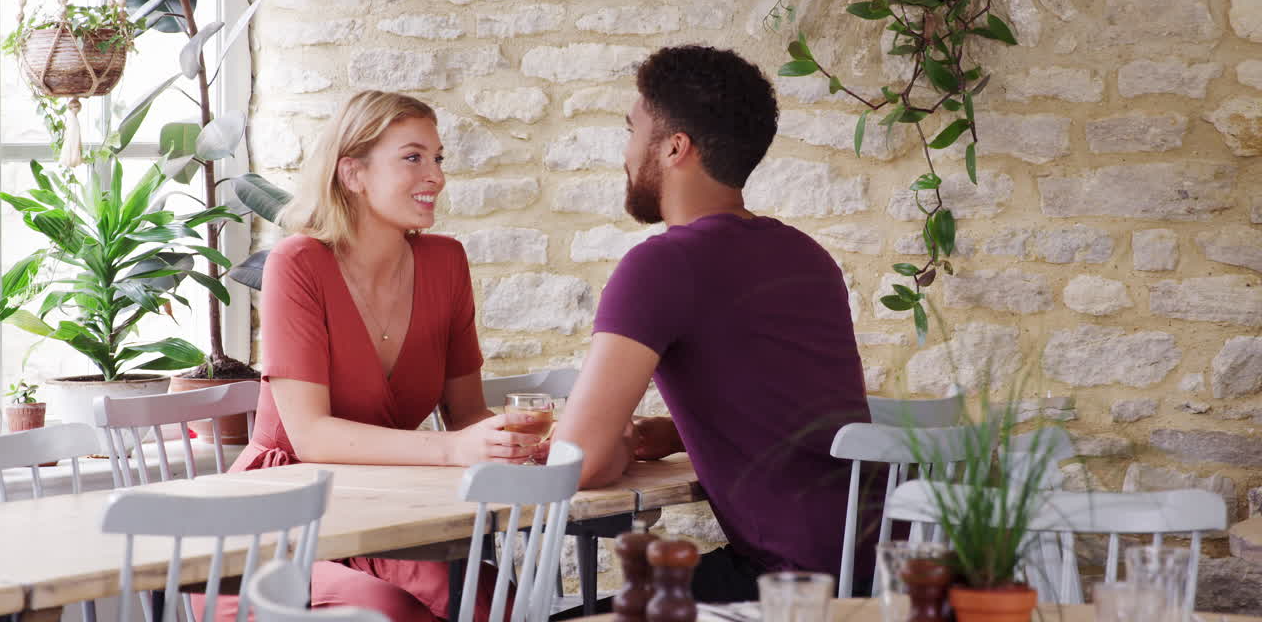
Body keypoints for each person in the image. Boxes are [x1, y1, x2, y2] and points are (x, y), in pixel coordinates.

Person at [553, 45, 875, 601]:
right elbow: (800, 416)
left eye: (632, 131)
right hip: (873, 565)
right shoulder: (806, 255)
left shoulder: (661, 266)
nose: (627, 153)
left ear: (675, 147)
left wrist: (618, 443)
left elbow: (575, 461)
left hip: (787, 582)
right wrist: (679, 432)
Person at [210, 91, 545, 622]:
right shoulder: (298, 263)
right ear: (353, 173)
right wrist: (455, 450)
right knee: (382, 609)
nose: (435, 175)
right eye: (413, 157)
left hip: (384, 512)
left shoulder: (445, 263)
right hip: (277, 518)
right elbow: (311, 436)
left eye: (438, 158)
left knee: (488, 596)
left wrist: (529, 439)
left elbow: (467, 415)